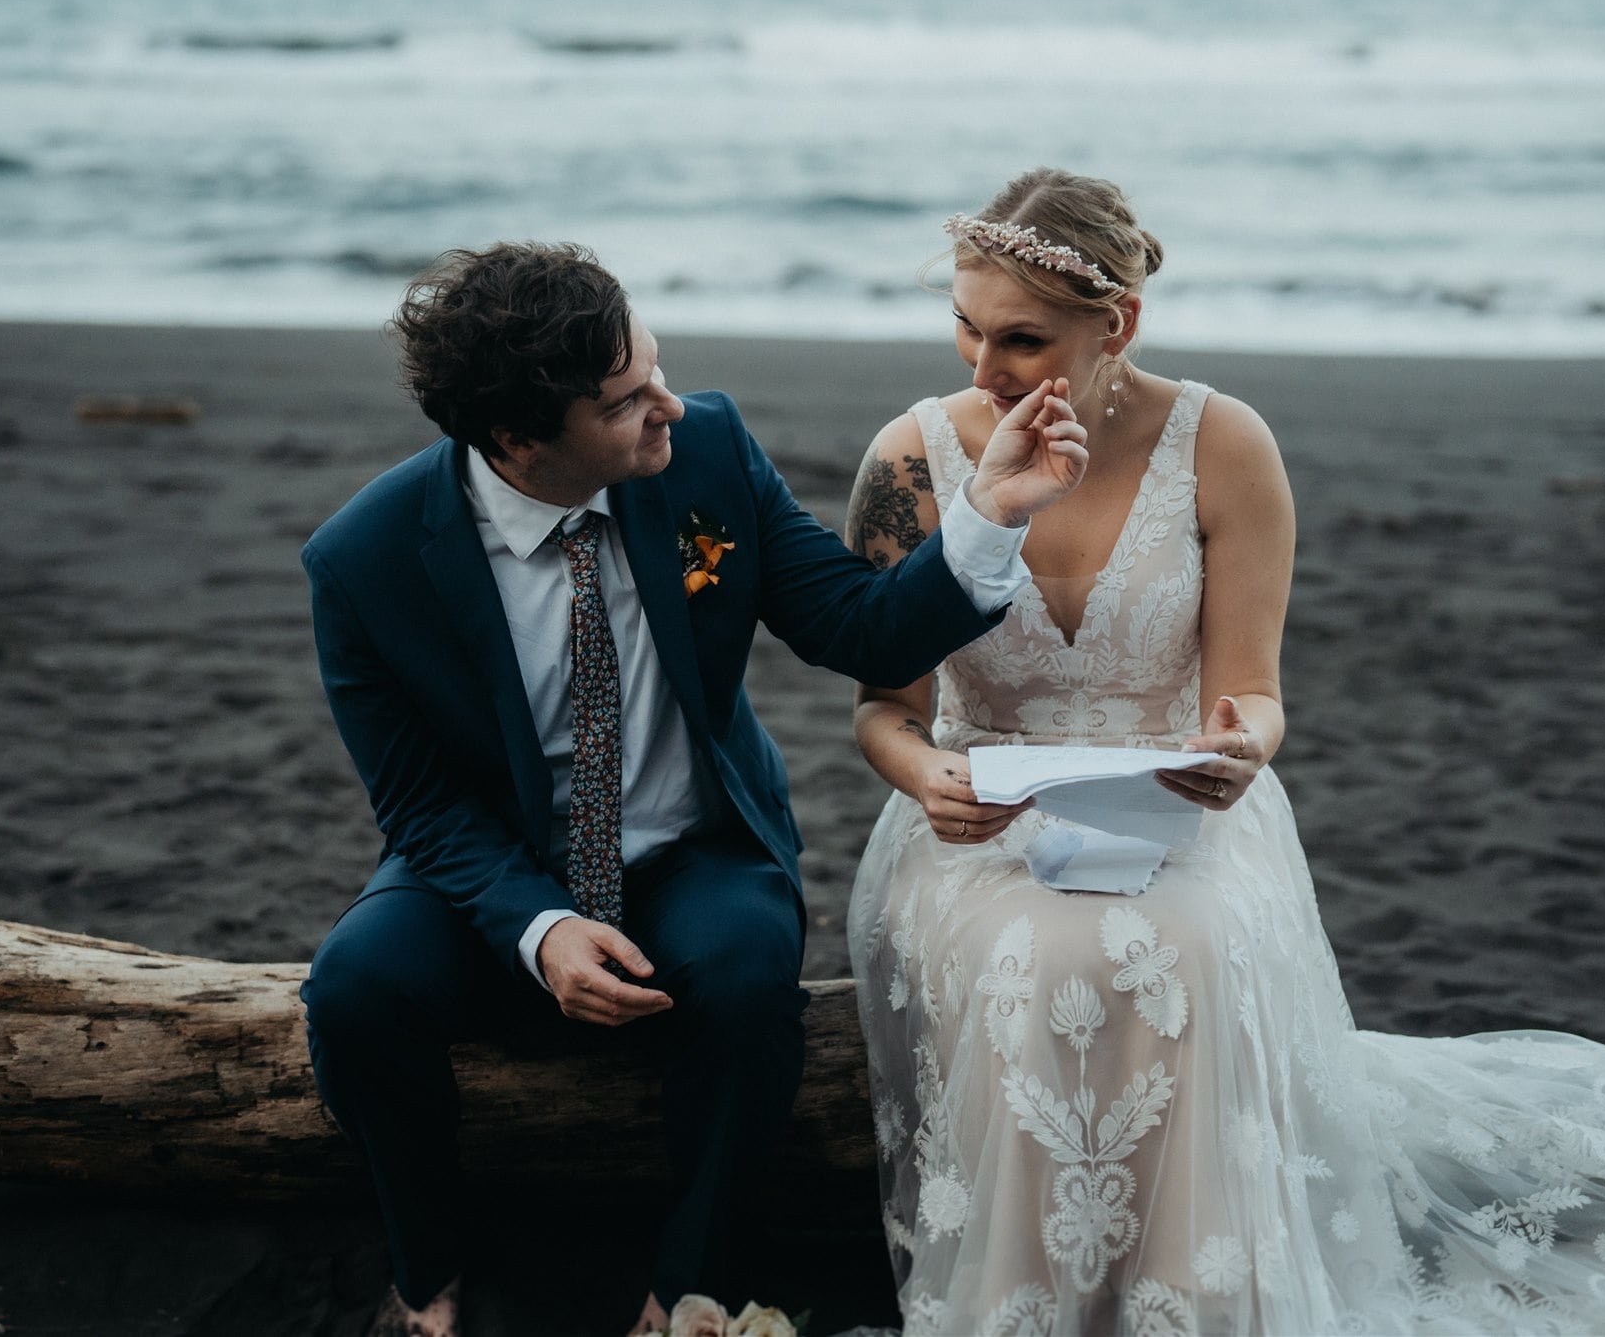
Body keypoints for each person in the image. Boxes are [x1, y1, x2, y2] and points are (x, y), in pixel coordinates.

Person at [845, 168, 1605, 1334]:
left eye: (1021, 339)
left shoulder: (1222, 445)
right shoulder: (908, 461)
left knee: (1184, 946)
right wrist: (926, 775)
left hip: (1172, 804)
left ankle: (1195, 1302)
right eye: (963, 325)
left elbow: (1250, 694)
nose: (980, 369)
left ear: (1118, 327)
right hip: (974, 816)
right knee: (1031, 959)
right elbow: (880, 708)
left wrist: (1237, 749)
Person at [296, 241, 1090, 1337]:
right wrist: (536, 929)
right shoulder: (363, 561)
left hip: (692, 845)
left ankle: (686, 1284)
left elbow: (852, 624)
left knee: (745, 978)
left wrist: (993, 509)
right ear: (520, 440)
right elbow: (420, 805)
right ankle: (428, 1266)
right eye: (625, 403)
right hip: (497, 861)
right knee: (350, 992)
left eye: (655, 367)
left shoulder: (704, 451)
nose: (668, 406)